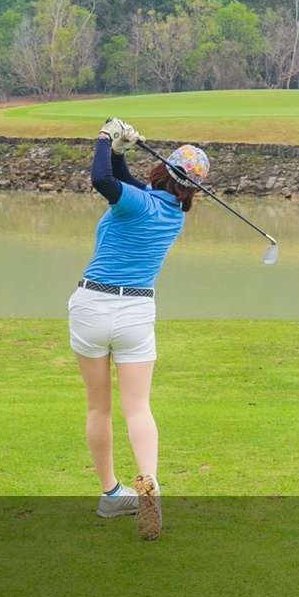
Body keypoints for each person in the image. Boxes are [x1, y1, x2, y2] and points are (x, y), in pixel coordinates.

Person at [68, 116, 209, 540]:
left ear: (162, 170)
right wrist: (119, 150)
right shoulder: (172, 216)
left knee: (99, 408)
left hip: (92, 306)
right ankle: (149, 480)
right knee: (138, 407)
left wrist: (104, 138)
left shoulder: (133, 202)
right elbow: (122, 180)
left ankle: (111, 493)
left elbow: (101, 180)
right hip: (136, 314)